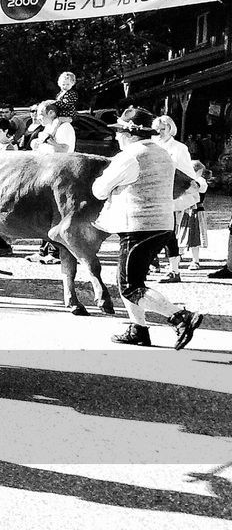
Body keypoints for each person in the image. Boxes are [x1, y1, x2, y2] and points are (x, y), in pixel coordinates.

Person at [91, 106, 202, 349]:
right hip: (162, 224)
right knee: (131, 279)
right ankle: (138, 329)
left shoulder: (130, 156)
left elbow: (99, 190)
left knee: (130, 287)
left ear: (131, 134)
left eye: (120, 131)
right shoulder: (163, 153)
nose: (117, 136)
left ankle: (180, 316)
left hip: (138, 226)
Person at [151, 114, 206, 281]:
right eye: (157, 129)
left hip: (172, 194)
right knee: (149, 230)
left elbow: (187, 173)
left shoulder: (179, 148)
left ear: (170, 128)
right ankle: (152, 263)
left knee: (169, 232)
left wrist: (193, 188)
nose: (160, 132)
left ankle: (174, 270)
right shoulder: (152, 144)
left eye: (163, 128)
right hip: (152, 193)